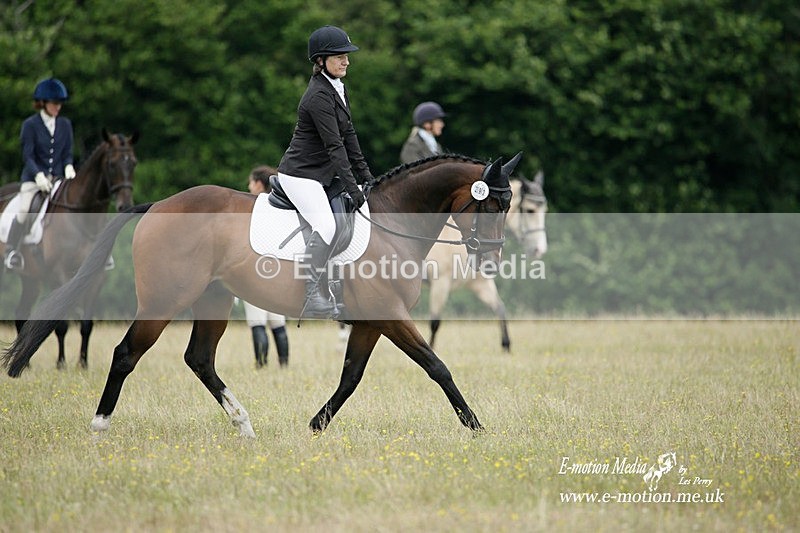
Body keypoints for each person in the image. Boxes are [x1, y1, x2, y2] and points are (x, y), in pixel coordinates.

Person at [277, 25, 374, 318]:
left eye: (346, 55)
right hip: (300, 175)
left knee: (346, 216)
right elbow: (335, 147)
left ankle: (338, 287)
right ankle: (312, 295)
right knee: (327, 225)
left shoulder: (336, 88)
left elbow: (350, 137)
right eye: (339, 56)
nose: (346, 61)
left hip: (320, 174)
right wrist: (353, 187)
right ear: (320, 60)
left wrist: (367, 177)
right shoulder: (318, 96)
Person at [5, 78, 75, 270]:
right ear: (43, 103)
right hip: (34, 180)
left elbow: (68, 152)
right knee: (24, 208)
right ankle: (12, 251)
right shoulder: (30, 125)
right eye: (54, 103)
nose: (58, 107)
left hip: (59, 179)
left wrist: (69, 166)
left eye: (60, 104)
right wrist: (38, 176)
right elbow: (28, 155)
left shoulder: (65, 125)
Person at [244, 165, 290, 367]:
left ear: (259, 184)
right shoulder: (280, 208)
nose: (248, 187)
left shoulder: (255, 209)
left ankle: (261, 365)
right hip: (278, 270)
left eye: (251, 182)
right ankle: (284, 364)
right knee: (277, 323)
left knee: (257, 322)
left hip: (255, 270)